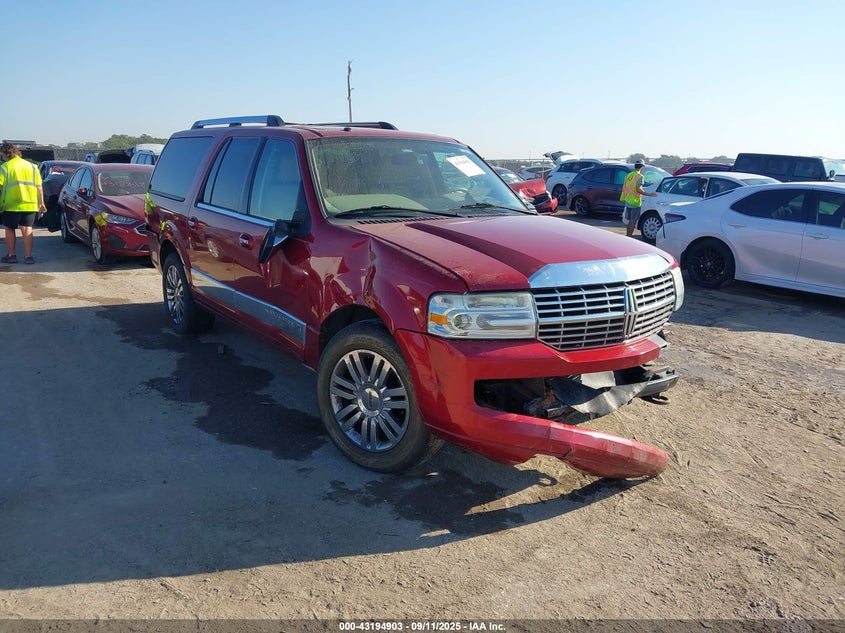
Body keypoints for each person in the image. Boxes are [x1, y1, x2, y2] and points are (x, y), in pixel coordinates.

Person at [0, 143, 46, 264]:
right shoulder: (32, 167)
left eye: (2, 155)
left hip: (11, 204)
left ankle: (11, 255)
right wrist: (41, 203)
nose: (2, 158)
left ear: (6, 154)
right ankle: (28, 257)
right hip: (30, 203)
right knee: (27, 228)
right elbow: (39, 186)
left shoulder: (5, 167)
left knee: (9, 228)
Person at [620, 160, 657, 237]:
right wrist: (649, 194)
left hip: (627, 199)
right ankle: (629, 237)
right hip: (635, 201)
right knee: (633, 221)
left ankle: (628, 236)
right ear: (642, 167)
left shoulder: (629, 175)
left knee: (630, 221)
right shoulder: (640, 176)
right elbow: (638, 189)